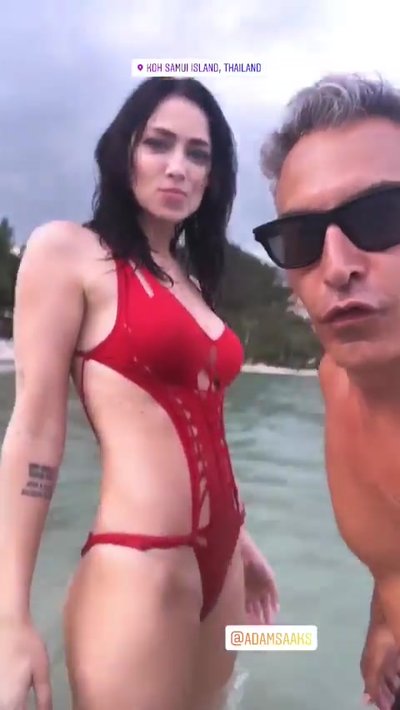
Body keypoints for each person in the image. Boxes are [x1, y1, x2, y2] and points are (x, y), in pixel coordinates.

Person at [0, 77, 278, 710]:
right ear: (124, 150)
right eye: (159, 144)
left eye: (198, 153)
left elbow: (205, 430)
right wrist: (10, 617)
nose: (178, 166)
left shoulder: (193, 283)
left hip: (224, 569)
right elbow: (36, 432)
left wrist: (243, 546)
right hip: (139, 567)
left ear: (213, 176)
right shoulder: (68, 251)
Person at [253, 73, 400, 710]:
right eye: (303, 238)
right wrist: (383, 622)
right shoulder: (336, 381)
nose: (337, 266)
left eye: (383, 216)